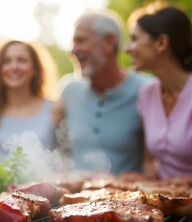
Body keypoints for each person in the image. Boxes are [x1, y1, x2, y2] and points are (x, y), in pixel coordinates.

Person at [55, 10, 151, 175]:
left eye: (80, 40)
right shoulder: (69, 89)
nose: (72, 50)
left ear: (108, 42)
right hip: (74, 198)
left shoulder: (146, 89)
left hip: (128, 197)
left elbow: (154, 162)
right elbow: (57, 150)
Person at [124, 2, 192, 179]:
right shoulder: (146, 93)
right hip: (166, 201)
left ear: (161, 43)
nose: (127, 48)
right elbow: (149, 161)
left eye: (134, 39)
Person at [0, 39, 58, 165]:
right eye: (6, 61)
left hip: (44, 184)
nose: (14, 67)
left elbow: (64, 161)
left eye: (22, 60)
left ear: (35, 69)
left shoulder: (55, 109)